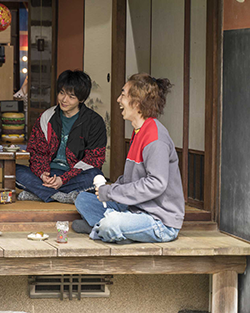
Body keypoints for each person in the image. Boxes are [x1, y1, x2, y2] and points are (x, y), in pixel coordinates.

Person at [73, 74, 185, 244]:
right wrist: (111, 189)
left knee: (112, 222)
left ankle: (105, 228)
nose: (119, 99)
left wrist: (111, 192)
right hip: (135, 209)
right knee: (83, 199)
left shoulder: (155, 137)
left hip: (159, 221)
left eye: (123, 94)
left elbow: (156, 183)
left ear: (137, 102)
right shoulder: (138, 131)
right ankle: (112, 228)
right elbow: (129, 180)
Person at [15, 70, 107, 204]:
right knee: (16, 171)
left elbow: (94, 159)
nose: (64, 100)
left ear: (81, 99)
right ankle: (60, 196)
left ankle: (40, 193)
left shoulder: (94, 122)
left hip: (75, 175)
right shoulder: (47, 116)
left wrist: (63, 179)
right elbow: (36, 151)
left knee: (95, 176)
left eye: (71, 96)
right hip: (48, 173)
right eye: (62, 93)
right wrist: (42, 173)